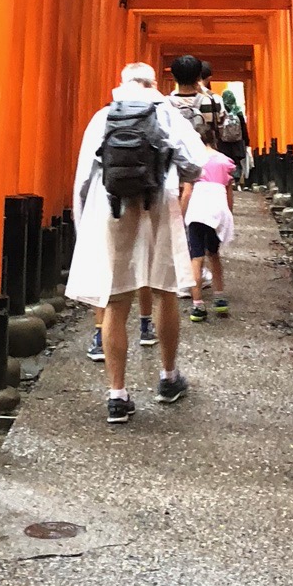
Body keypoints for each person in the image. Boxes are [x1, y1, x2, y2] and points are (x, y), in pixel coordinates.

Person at [68, 62, 206, 421]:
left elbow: (83, 178)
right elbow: (195, 163)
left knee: (115, 300)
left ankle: (117, 395)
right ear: (153, 83)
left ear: (122, 83)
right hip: (158, 206)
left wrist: (83, 227)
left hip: (110, 209)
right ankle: (168, 377)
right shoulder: (168, 114)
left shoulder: (102, 117)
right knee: (165, 291)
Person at [185, 144, 236, 319]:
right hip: (217, 208)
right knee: (214, 254)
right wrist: (228, 214)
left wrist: (181, 215)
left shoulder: (192, 161)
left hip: (198, 210)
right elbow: (229, 193)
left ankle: (198, 305)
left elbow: (187, 193)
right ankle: (220, 298)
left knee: (196, 258)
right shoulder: (224, 161)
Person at [167, 53, 225, 150]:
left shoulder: (165, 104)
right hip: (205, 156)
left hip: (175, 158)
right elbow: (221, 131)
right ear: (199, 76)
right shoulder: (214, 101)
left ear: (174, 77)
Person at [218, 86, 251, 186]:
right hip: (237, 141)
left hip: (224, 142)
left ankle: (227, 179)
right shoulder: (238, 111)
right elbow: (243, 127)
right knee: (236, 161)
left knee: (225, 159)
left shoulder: (221, 112)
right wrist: (246, 140)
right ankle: (236, 180)